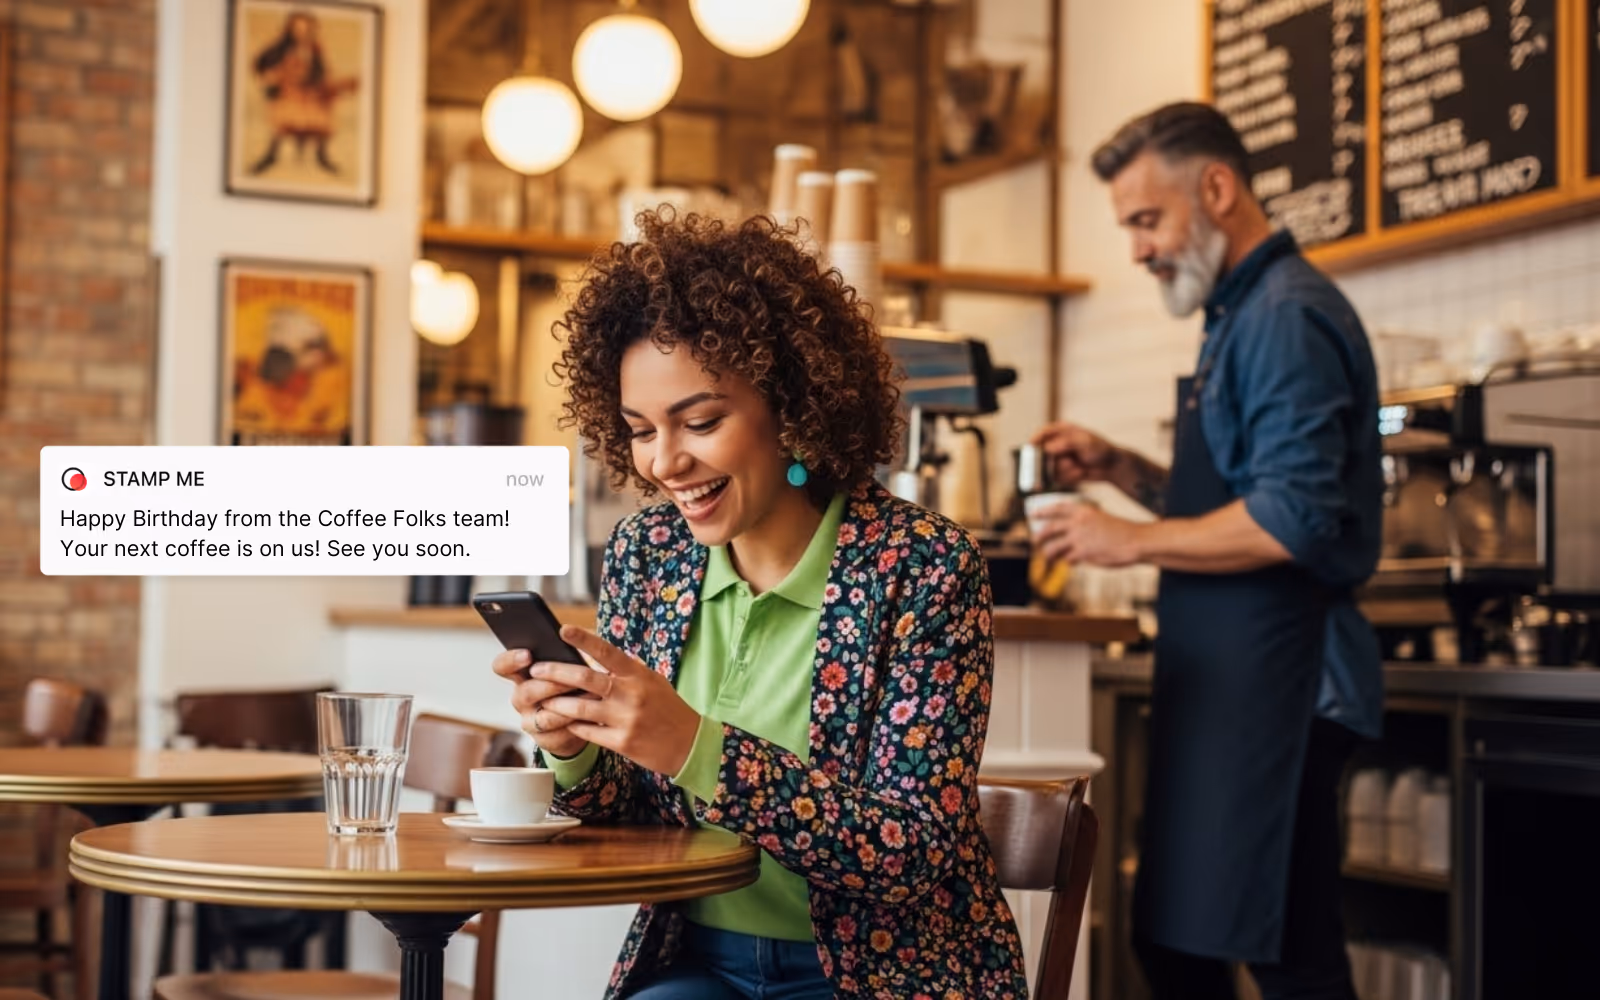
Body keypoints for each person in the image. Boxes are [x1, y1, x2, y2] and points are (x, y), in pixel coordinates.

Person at [492, 209, 1029, 999]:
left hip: (883, 978)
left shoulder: (922, 568)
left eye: (701, 421)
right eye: (640, 430)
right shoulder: (650, 557)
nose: (667, 462)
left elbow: (914, 853)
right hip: (698, 961)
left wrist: (694, 747)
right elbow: (627, 819)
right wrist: (572, 743)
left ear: (793, 403)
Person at [1029, 103, 1382, 1000]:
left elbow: (1294, 519)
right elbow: (1240, 496)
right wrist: (1123, 471)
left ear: (1217, 189)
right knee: (1180, 948)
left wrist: (1128, 540)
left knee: (1289, 960)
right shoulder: (1238, 313)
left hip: (1289, 687)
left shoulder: (1285, 317)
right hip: (1236, 685)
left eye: (1146, 220)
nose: (1138, 249)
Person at [248, 12, 358, 176]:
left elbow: (322, 73)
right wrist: (272, 78)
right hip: (288, 92)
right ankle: (271, 155)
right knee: (286, 115)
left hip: (309, 93)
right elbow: (263, 66)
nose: (302, 32)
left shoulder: (315, 49)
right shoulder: (281, 48)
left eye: (306, 28)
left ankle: (322, 156)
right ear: (290, 29)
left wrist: (331, 86)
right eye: (298, 28)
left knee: (321, 116)